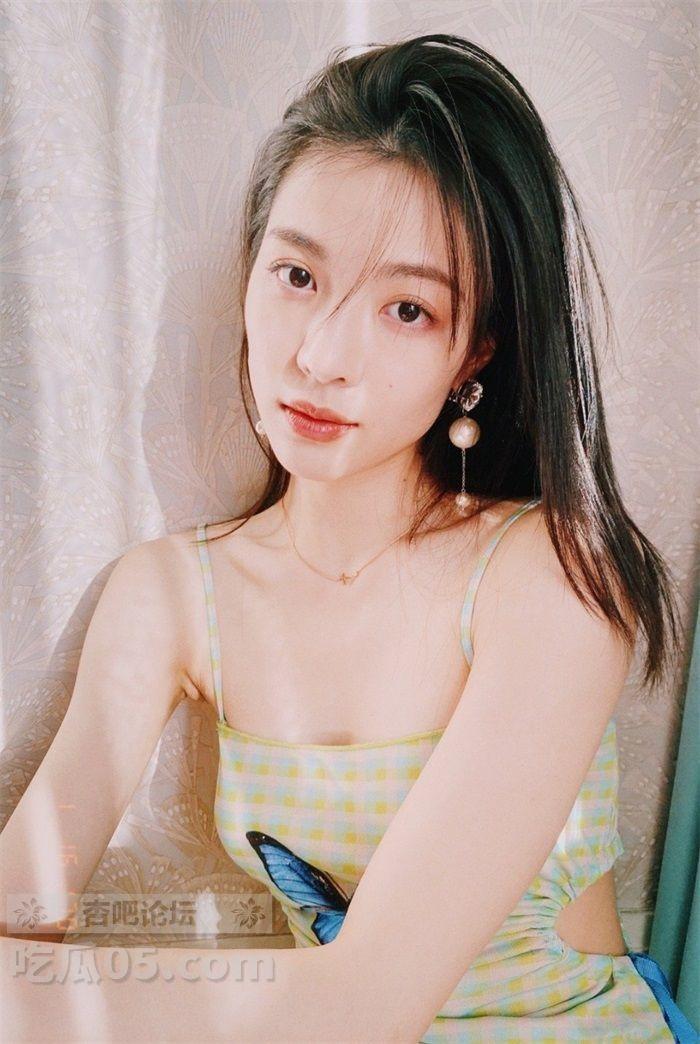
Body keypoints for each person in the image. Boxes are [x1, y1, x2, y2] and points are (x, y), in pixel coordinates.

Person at [1, 32, 694, 1044]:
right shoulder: (172, 593)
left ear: (476, 353)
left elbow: (364, 1004)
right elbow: (25, 904)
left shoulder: (547, 575)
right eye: (296, 276)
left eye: (407, 309)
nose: (322, 355)